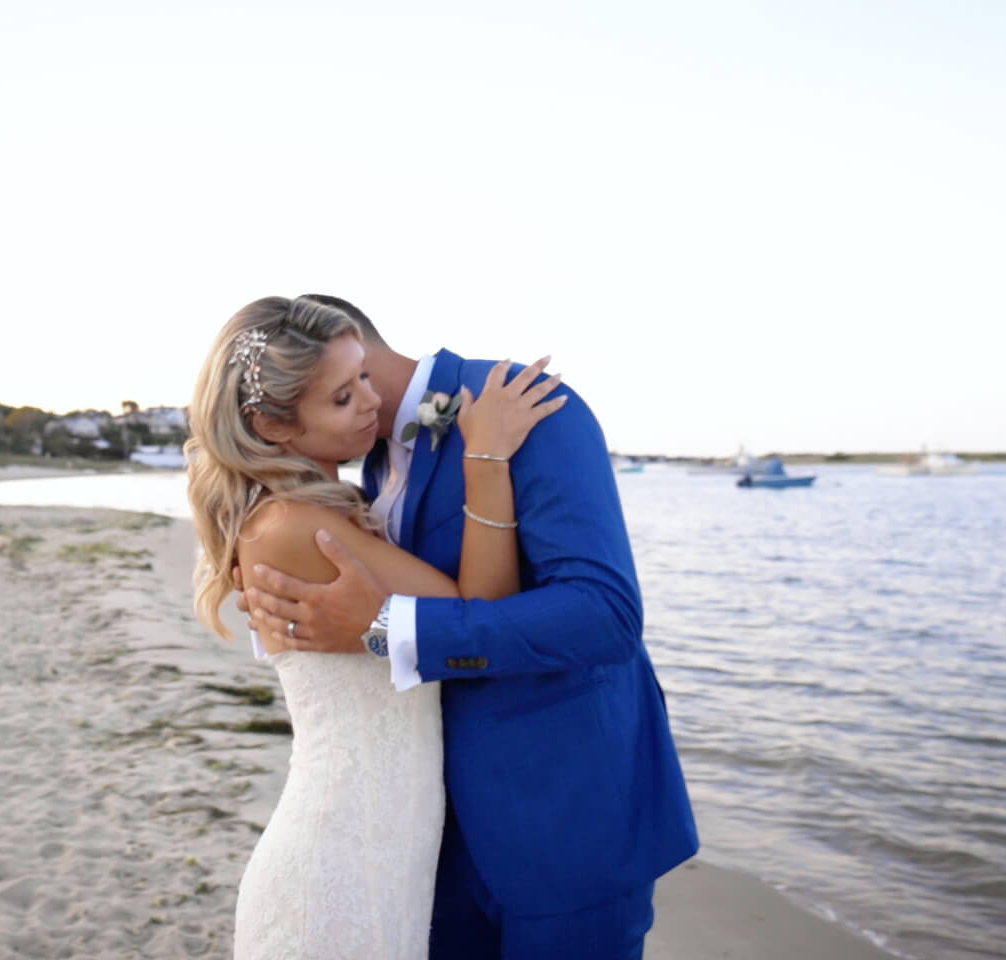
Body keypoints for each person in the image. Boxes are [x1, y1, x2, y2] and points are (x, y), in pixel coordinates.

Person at [238, 294, 699, 960]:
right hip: (429, 845)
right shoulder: (354, 469)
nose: (359, 402)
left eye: (354, 385)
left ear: (354, 349)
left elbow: (606, 615)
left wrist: (386, 627)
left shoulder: (521, 407)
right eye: (340, 396)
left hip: (565, 824)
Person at [186, 296, 568, 960]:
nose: (371, 401)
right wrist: (487, 457)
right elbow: (477, 611)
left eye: (363, 374)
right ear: (272, 424)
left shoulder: (327, 509)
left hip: (384, 855)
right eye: (341, 397)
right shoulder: (302, 524)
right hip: (336, 866)